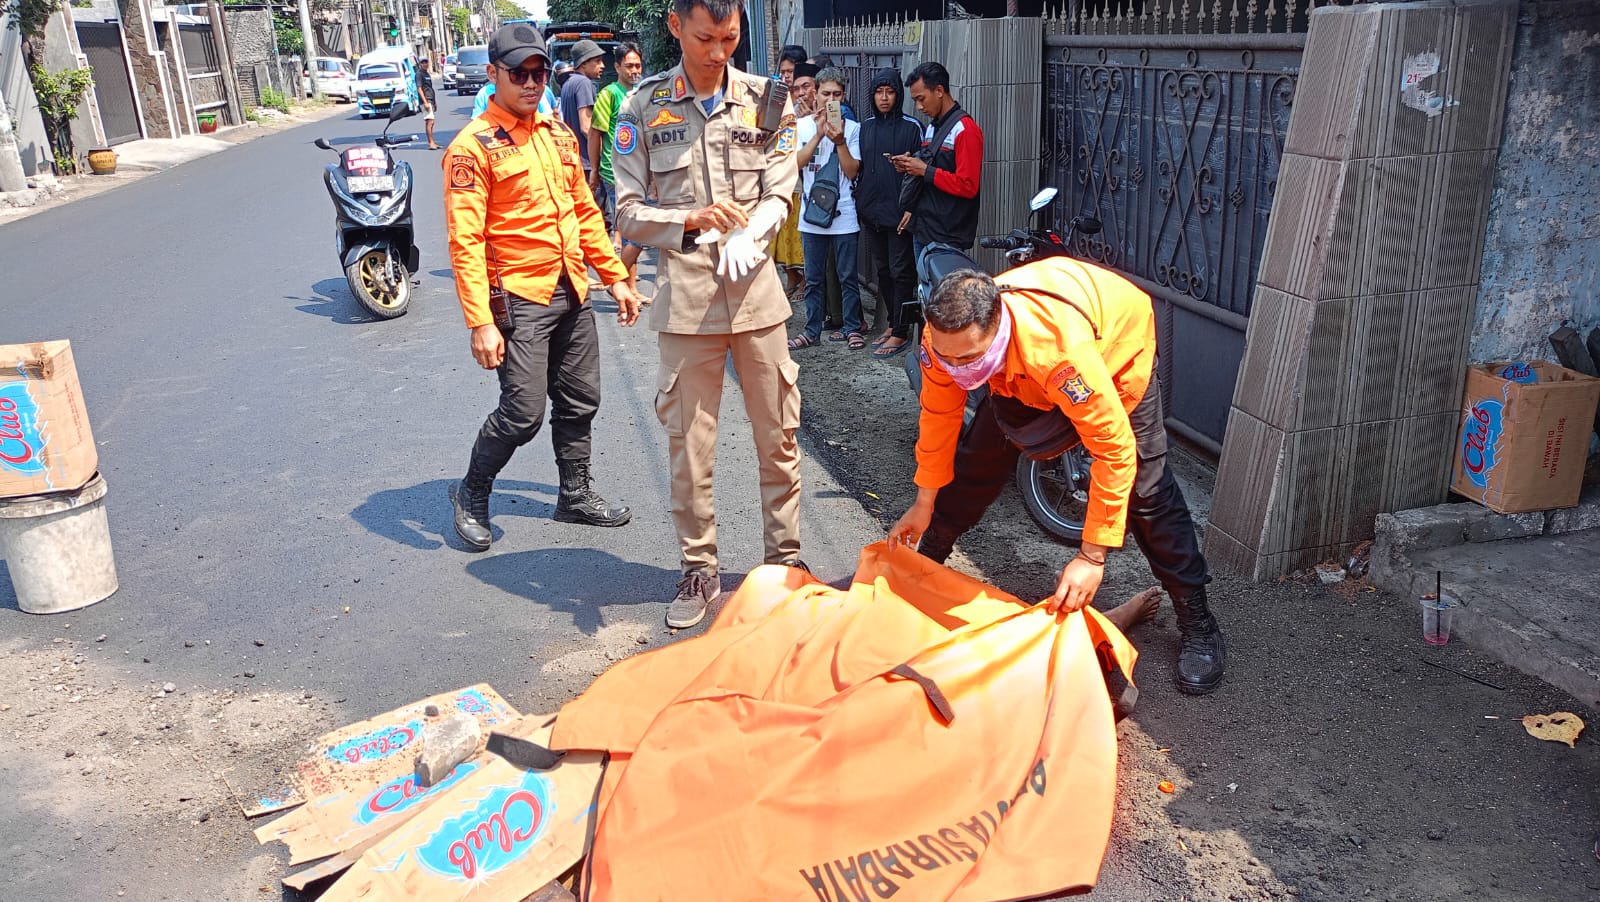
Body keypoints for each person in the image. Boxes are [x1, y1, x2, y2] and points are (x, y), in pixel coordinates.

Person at [887, 259, 1226, 695]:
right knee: (977, 458)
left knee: (1147, 493)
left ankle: (1196, 619)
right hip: (1016, 375)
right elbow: (939, 416)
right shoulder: (945, 340)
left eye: (969, 358)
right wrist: (923, 503)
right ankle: (929, 553)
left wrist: (1091, 557)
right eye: (948, 359)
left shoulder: (1059, 353)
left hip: (1115, 352)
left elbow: (1112, 447)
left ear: (998, 329)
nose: (958, 370)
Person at [612, 0, 805, 628]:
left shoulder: (767, 98)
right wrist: (690, 221)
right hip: (687, 306)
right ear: (675, 26)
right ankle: (700, 570)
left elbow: (781, 186)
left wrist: (761, 230)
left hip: (757, 299)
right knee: (690, 450)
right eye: (704, 38)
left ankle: (787, 566)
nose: (719, 53)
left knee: (779, 439)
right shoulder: (643, 107)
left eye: (729, 38)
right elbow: (628, 213)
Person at [445, 23, 647, 552]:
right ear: (494, 76)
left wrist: (617, 279)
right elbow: (464, 242)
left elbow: (584, 213)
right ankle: (472, 491)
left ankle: (574, 494)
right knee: (522, 412)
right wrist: (480, 322)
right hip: (519, 296)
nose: (531, 83)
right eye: (519, 74)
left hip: (572, 289)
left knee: (581, 399)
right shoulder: (473, 149)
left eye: (538, 72)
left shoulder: (557, 134)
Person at [786, 67, 862, 351]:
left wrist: (840, 140)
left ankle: (853, 328)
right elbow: (794, 164)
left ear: (844, 96)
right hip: (811, 216)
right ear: (815, 94)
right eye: (826, 93)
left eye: (837, 94)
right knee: (814, 278)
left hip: (845, 213)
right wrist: (818, 136)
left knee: (848, 277)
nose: (831, 99)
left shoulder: (853, 129)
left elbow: (852, 172)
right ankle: (811, 330)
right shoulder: (801, 127)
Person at [857, 67, 922, 358]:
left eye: (890, 91)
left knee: (901, 270)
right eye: (879, 92)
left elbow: (918, 173)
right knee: (882, 269)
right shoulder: (866, 126)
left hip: (899, 212)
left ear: (898, 94)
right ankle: (892, 324)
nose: (884, 98)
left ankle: (901, 332)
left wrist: (910, 207)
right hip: (872, 211)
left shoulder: (912, 127)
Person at [891, 62, 983, 255]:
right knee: (925, 286)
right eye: (915, 100)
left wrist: (924, 170)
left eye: (921, 99)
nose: (918, 107)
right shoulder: (933, 127)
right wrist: (910, 165)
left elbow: (968, 185)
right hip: (923, 228)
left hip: (947, 235)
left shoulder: (966, 130)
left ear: (939, 90)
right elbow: (930, 164)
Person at [590, 42, 645, 280]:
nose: (634, 71)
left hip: (641, 174)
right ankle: (618, 281)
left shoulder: (643, 94)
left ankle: (627, 286)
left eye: (638, 66)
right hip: (615, 174)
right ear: (618, 67)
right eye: (629, 66)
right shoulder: (609, 95)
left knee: (637, 233)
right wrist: (594, 169)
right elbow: (595, 132)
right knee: (637, 234)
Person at [561, 39, 607, 198]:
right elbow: (587, 127)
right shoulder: (583, 83)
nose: (602, 66)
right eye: (597, 61)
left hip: (575, 159)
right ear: (584, 64)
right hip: (587, 162)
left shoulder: (569, 83)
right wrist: (603, 156)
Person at [472, 78, 556, 119]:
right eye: (517, 74)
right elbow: (476, 123)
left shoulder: (535, 91)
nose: (530, 84)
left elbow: (548, 117)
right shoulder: (484, 93)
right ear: (493, 73)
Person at [416, 57, 439, 149]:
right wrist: (425, 102)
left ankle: (433, 142)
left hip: (431, 100)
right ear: (420, 64)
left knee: (432, 122)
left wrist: (434, 102)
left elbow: (430, 88)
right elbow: (419, 88)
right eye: (423, 62)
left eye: (426, 62)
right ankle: (430, 143)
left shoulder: (427, 74)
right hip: (425, 100)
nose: (425, 64)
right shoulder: (419, 74)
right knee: (429, 121)